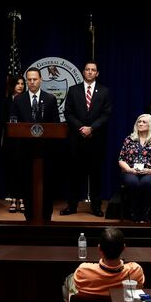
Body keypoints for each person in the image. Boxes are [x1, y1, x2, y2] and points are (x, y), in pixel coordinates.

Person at [9, 67, 60, 221]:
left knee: (47, 186)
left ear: (40, 80)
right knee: (27, 185)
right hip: (25, 151)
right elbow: (14, 125)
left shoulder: (50, 99)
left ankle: (46, 217)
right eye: (29, 79)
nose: (31, 82)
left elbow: (56, 125)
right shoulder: (18, 100)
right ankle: (29, 217)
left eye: (34, 79)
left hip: (45, 153)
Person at [62, 60, 112, 217]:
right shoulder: (73, 90)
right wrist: (80, 128)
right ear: (83, 72)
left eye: (93, 70)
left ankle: (96, 207)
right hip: (76, 140)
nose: (90, 72)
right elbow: (68, 112)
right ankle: (72, 206)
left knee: (96, 175)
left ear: (97, 73)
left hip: (96, 140)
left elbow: (106, 114)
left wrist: (92, 128)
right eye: (87, 69)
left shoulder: (104, 91)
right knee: (74, 175)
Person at [118, 113, 151, 222]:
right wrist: (129, 169)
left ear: (150, 125)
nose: (140, 124)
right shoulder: (129, 139)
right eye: (139, 122)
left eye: (144, 122)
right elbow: (121, 159)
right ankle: (135, 212)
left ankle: (145, 213)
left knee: (146, 182)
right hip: (131, 172)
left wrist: (150, 171)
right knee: (133, 182)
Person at [72, 227, 144, 297]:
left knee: (69, 280)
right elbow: (139, 286)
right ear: (124, 248)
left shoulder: (83, 270)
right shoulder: (136, 270)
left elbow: (78, 286)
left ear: (99, 248)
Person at [3, 76, 25, 213]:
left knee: (22, 171)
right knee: (11, 170)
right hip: (10, 141)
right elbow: (2, 120)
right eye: (17, 83)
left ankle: (22, 199)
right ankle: (12, 199)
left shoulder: (27, 99)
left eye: (23, 83)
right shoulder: (6, 101)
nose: (20, 86)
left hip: (24, 141)